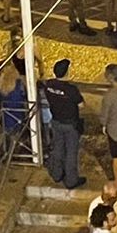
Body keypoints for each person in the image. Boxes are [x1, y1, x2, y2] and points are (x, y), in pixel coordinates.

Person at [41, 59, 85, 190]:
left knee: (58, 148)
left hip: (56, 121)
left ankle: (56, 173)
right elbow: (81, 105)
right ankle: (71, 180)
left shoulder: (48, 85)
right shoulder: (71, 90)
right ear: (67, 72)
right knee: (71, 152)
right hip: (70, 124)